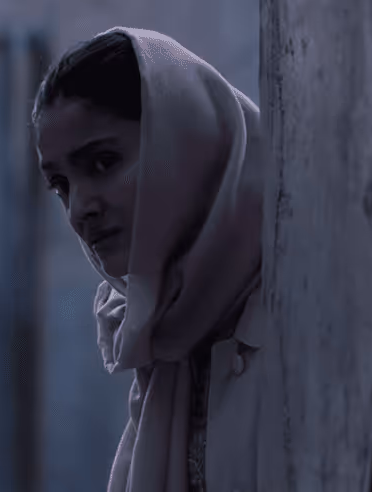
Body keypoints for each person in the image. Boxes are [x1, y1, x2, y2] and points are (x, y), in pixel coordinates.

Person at [32, 27, 285, 492]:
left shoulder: (299, 311)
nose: (78, 209)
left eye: (103, 162)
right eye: (61, 185)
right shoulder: (164, 338)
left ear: (187, 142)